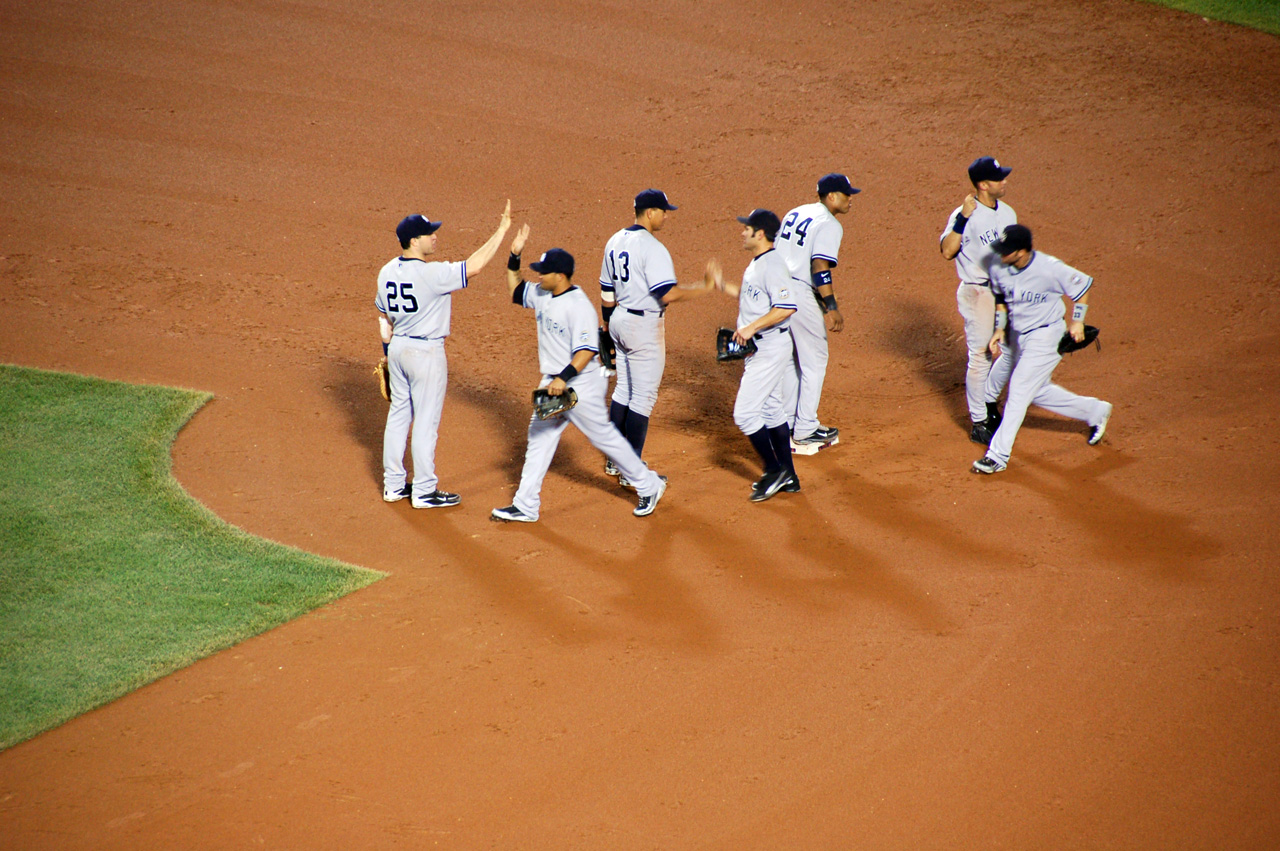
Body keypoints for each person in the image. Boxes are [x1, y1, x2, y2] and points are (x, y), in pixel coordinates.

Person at [492, 226, 667, 522]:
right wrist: (514, 254)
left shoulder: (579, 307)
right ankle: (525, 504)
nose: (538, 276)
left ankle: (648, 485)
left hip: (580, 384)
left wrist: (562, 378)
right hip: (554, 382)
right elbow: (515, 288)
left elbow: (586, 352)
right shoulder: (541, 293)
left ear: (560, 276)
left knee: (604, 438)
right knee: (539, 437)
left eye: (543, 272)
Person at [377, 201, 511, 508]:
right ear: (414, 241)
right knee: (425, 421)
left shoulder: (386, 271)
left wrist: (387, 354)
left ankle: (394, 486)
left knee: (399, 416)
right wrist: (501, 231)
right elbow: (474, 266)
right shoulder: (432, 274)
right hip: (425, 353)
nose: (435, 236)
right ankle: (424, 491)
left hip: (397, 349)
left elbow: (383, 317)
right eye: (428, 234)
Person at [972, 224, 1113, 474]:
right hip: (1019, 335)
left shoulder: (1049, 268)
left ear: (1022, 251)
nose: (1001, 254)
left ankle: (997, 455)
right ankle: (1095, 410)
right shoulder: (999, 267)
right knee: (1036, 392)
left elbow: (1082, 288)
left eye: (1007, 250)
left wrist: (1077, 320)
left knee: (1019, 389)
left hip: (1047, 334)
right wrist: (999, 329)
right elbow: (1002, 301)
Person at [599, 188, 717, 482]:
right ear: (649, 212)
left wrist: (607, 326)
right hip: (643, 328)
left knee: (623, 391)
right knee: (642, 399)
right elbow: (668, 293)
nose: (666, 215)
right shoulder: (652, 247)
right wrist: (704, 287)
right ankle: (632, 471)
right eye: (663, 211)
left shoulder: (614, 240)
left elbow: (606, 292)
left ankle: (616, 461)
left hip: (619, 321)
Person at [709, 209, 801, 502]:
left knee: (746, 414)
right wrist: (723, 286)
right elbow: (754, 297)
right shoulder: (758, 263)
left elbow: (786, 306)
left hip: (770, 347)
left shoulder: (772, 265)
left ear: (760, 233)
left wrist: (750, 327)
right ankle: (790, 476)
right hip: (763, 346)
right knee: (772, 408)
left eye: (746, 228)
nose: (742, 232)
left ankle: (774, 470)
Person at [774, 173, 858, 451]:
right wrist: (831, 306)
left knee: (790, 359)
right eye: (846, 195)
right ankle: (806, 428)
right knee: (815, 359)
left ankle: (787, 422)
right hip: (798, 291)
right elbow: (819, 264)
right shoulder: (829, 223)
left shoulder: (796, 211)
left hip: (776, 287)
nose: (850, 200)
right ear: (831, 196)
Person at [939, 156, 1018, 445]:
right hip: (978, 293)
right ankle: (979, 420)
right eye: (999, 179)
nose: (1005, 182)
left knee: (1013, 348)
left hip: (1005, 291)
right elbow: (947, 251)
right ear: (983, 185)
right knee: (982, 357)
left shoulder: (1008, 212)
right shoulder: (964, 214)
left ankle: (988, 400)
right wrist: (962, 219)